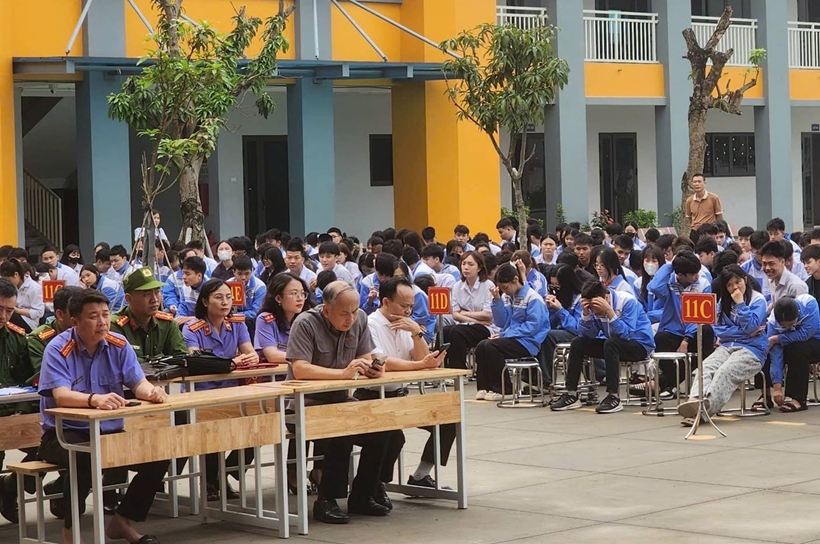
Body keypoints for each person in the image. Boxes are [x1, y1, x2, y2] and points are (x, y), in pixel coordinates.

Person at [37, 289, 170, 544]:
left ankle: (122, 521)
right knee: (84, 457)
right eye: (93, 316)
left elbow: (138, 383)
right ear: (75, 321)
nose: (102, 322)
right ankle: (70, 531)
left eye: (106, 315)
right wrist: (94, 399)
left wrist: (152, 392)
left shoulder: (118, 345)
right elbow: (61, 395)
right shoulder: (58, 348)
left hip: (109, 432)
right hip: (63, 435)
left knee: (159, 453)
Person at [286, 281, 404, 524]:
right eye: (344, 313)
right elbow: (300, 368)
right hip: (303, 404)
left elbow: (364, 355)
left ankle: (364, 492)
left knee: (386, 429)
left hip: (340, 400)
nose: (351, 318)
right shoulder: (306, 323)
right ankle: (327, 499)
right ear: (326, 310)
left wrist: (371, 368)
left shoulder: (359, 319)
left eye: (354, 311)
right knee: (343, 429)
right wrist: (342, 374)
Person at [357, 277, 452, 489]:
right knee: (392, 437)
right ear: (386, 301)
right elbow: (381, 362)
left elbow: (423, 359)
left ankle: (420, 475)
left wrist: (417, 333)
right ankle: (375, 485)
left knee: (448, 421)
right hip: (373, 396)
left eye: (411, 306)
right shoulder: (370, 324)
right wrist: (420, 365)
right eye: (403, 305)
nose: (408, 311)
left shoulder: (407, 325)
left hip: (400, 396)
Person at [182, 279, 259, 500]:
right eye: (218, 297)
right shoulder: (192, 327)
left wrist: (249, 358)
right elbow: (196, 359)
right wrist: (231, 363)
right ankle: (211, 481)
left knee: (260, 423)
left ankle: (227, 470)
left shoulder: (237, 324)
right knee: (213, 431)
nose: (225, 302)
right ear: (205, 301)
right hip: (203, 392)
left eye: (228, 297)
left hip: (232, 390)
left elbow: (250, 353)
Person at [677, 265, 768, 424]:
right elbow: (719, 330)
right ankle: (694, 401)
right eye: (729, 285)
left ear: (745, 280)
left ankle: (703, 413)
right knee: (705, 367)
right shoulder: (722, 302)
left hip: (752, 349)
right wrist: (743, 332)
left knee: (725, 371)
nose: (735, 287)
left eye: (738, 282)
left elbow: (751, 326)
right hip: (726, 346)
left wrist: (740, 304)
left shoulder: (757, 300)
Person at [551, 279, 655, 414]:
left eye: (594, 306)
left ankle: (613, 396)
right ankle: (571, 394)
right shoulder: (592, 309)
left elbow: (626, 334)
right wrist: (586, 315)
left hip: (640, 345)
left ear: (605, 298)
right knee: (578, 343)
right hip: (612, 345)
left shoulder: (627, 301)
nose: (593, 311)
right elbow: (587, 335)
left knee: (611, 343)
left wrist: (609, 312)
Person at [474, 264, 549, 401]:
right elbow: (501, 322)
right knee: (481, 345)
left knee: (492, 346)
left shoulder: (533, 298)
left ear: (515, 279)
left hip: (528, 342)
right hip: (511, 338)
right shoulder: (507, 297)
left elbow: (532, 326)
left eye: (505, 287)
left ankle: (504, 389)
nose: (504, 291)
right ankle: (484, 387)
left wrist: (505, 335)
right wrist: (497, 301)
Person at [647, 252, 714, 398]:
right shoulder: (669, 283)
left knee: (707, 331)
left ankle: (675, 382)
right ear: (681, 275)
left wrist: (687, 339)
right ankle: (671, 383)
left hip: (695, 330)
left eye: (697, 272)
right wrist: (671, 264)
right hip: (674, 329)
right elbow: (654, 287)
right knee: (660, 338)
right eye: (693, 274)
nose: (697, 276)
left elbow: (702, 316)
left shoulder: (703, 284)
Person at [0, 278, 37, 523]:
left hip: (12, 413)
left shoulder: (17, 337)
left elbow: (27, 381)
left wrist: (21, 410)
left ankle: (10, 486)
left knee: (52, 443)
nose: (3, 316)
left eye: (9, 310)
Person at [441, 251, 494, 370]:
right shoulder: (457, 286)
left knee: (457, 332)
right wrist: (477, 320)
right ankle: (441, 368)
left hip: (486, 328)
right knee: (444, 331)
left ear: (479, 267)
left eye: (471, 264)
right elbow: (455, 315)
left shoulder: (487, 285)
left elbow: (487, 315)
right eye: (463, 263)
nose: (466, 267)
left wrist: (465, 313)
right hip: (468, 324)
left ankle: (458, 369)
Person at [766, 295, 820, 413]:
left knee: (798, 350)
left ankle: (798, 399)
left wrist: (777, 338)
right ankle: (766, 396)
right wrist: (777, 386)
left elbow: (805, 334)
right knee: (766, 349)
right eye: (784, 325)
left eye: (791, 324)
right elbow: (776, 355)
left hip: (815, 340)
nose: (787, 327)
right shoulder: (773, 322)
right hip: (790, 344)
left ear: (798, 313)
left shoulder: (809, 304)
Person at [540, 264, 584, 380]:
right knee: (538, 332)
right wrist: (549, 310)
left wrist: (560, 310)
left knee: (547, 335)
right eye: (552, 286)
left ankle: (545, 378)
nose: (555, 290)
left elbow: (577, 328)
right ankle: (532, 376)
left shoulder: (580, 299)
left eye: (558, 286)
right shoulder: (559, 296)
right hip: (559, 332)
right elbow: (549, 324)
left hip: (576, 335)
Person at [0, 258, 44, 331]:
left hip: (28, 322)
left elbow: (39, 312)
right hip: (13, 316)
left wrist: (17, 310)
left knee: (7, 315)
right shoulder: (13, 286)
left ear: (16, 274)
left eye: (8, 280)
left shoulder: (34, 288)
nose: (8, 283)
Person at [760, 240, 808, 304]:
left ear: (782, 262)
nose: (767, 268)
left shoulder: (795, 286)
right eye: (764, 264)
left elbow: (801, 309)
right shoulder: (771, 280)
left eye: (771, 264)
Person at [684, 173, 723, 239]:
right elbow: (689, 218)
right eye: (695, 182)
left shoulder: (714, 198)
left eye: (699, 181)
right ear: (692, 184)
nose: (697, 184)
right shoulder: (689, 200)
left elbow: (719, 217)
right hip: (695, 232)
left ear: (704, 183)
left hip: (710, 232)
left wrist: (718, 231)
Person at [229, 255, 267, 322]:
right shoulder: (227, 285)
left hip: (252, 321)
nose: (243, 277)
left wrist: (236, 316)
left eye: (247, 274)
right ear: (233, 272)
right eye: (239, 274)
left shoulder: (260, 286)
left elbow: (256, 311)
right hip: (231, 320)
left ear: (252, 271)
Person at [175, 256, 209, 324]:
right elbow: (183, 307)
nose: (183, 277)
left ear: (199, 276)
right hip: (189, 324)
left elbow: (212, 316)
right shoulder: (185, 288)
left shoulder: (211, 289)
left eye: (187, 274)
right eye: (183, 273)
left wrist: (189, 319)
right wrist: (178, 319)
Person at [741, 230, 772, 302]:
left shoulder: (777, 266)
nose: (761, 256)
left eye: (764, 252)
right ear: (751, 250)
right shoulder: (745, 268)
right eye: (758, 253)